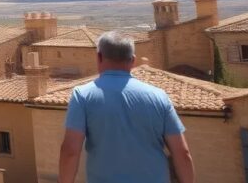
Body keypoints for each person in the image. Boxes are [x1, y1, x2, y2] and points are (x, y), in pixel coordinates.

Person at [59, 31, 195, 183]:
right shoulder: (159, 96)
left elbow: (70, 151)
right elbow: (182, 153)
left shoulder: (82, 96)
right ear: (133, 60)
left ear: (99, 57)